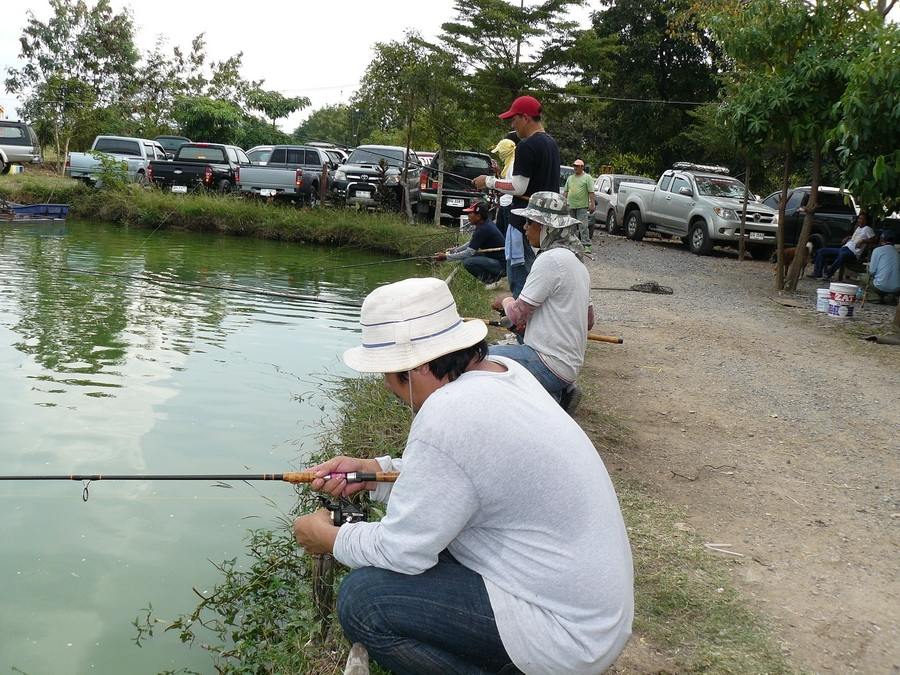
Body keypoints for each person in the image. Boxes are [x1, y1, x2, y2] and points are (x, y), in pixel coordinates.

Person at [292, 277, 634, 675]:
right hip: (591, 612)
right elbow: (465, 476)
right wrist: (376, 473)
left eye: (386, 373)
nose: (387, 385)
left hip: (565, 635)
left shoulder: (449, 413)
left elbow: (404, 550)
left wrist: (330, 539)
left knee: (364, 601)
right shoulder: (505, 373)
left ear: (415, 367)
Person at [488, 192, 593, 413]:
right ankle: (559, 395)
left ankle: (549, 398)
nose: (524, 227)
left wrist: (505, 301)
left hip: (547, 363)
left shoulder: (550, 259)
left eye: (530, 222)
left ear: (547, 227)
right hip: (569, 367)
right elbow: (589, 320)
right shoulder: (577, 263)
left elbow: (515, 315)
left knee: (478, 358)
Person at [473, 95, 561, 241]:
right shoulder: (552, 143)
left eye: (514, 119)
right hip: (546, 220)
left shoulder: (526, 146)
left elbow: (518, 187)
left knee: (518, 263)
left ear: (525, 118)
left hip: (525, 222)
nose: (512, 125)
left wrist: (488, 181)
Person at [490, 135, 531, 298]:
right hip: (506, 204)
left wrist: (491, 181)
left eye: (499, 152)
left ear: (505, 152)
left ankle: (518, 286)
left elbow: (515, 187)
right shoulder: (509, 164)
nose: (498, 155)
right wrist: (498, 175)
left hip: (510, 207)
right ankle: (512, 277)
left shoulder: (514, 163)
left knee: (515, 244)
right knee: (511, 242)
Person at [434, 201, 506, 285]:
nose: (468, 217)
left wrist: (446, 257)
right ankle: (493, 278)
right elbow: (472, 243)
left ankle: (492, 281)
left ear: (478, 216)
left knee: (468, 262)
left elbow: (469, 252)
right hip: (495, 260)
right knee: (469, 257)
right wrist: (455, 250)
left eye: (470, 214)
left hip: (501, 265)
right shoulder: (484, 224)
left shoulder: (483, 229)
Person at [811, 212, 877, 280]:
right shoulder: (859, 228)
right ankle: (817, 273)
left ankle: (828, 274)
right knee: (821, 251)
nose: (860, 220)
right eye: (859, 218)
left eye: (862, 219)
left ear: (866, 221)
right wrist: (848, 237)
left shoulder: (868, 229)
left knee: (842, 255)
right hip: (844, 248)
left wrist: (863, 241)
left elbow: (874, 239)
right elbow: (856, 237)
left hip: (853, 252)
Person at [563, 159, 595, 254]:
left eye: (577, 166)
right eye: (574, 166)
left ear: (582, 167)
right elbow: (565, 192)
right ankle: (572, 244)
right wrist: (563, 202)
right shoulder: (570, 178)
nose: (575, 168)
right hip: (570, 205)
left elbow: (591, 192)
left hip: (582, 206)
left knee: (583, 226)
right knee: (571, 226)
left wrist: (592, 204)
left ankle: (586, 245)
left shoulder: (587, 178)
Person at [867, 229, 900, 303]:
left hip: (880, 286)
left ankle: (876, 297)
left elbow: (872, 271)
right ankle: (890, 296)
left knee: (863, 277)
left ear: (882, 239)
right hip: (897, 288)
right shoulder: (897, 253)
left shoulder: (877, 250)